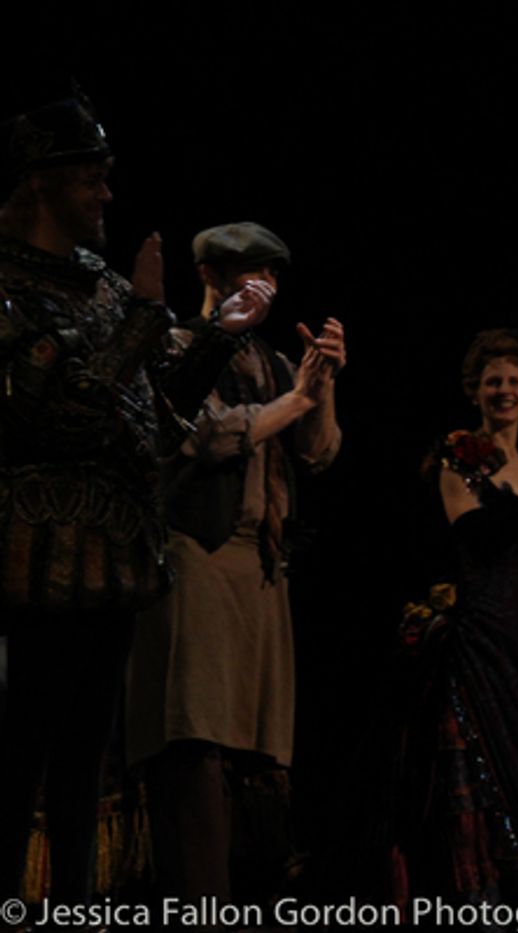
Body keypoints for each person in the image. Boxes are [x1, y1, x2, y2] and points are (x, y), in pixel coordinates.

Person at [0, 93, 269, 903]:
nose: (108, 196)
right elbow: (61, 407)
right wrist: (148, 316)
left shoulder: (104, 285)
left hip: (112, 557)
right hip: (34, 559)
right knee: (22, 752)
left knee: (89, 758)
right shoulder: (9, 284)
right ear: (45, 183)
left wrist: (216, 335)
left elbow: (150, 414)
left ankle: (73, 908)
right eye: (94, 180)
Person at [122, 221, 343, 904]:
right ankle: (201, 904)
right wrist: (297, 398)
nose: (265, 288)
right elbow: (212, 436)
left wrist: (322, 382)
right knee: (196, 738)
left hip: (261, 566)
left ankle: (251, 892)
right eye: (251, 274)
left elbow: (318, 451)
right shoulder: (181, 347)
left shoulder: (276, 362)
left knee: (254, 749)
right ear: (210, 278)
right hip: (199, 557)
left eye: (273, 275)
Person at [390, 329, 518, 905]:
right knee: (481, 767)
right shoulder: (459, 454)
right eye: (493, 382)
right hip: (481, 633)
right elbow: (477, 536)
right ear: (476, 392)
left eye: (513, 381)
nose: (504, 390)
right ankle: (479, 895)